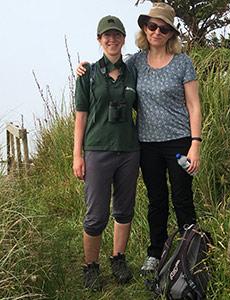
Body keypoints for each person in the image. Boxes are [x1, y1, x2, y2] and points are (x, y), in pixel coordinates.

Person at [77, 3, 202, 275]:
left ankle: (190, 254)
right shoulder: (135, 62)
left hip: (180, 143)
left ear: (171, 33)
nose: (157, 31)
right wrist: (83, 67)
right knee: (157, 199)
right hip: (146, 145)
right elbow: (111, 65)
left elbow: (194, 105)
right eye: (152, 26)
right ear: (145, 28)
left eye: (164, 28)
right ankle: (155, 254)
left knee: (182, 197)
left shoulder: (183, 62)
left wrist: (196, 143)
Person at [73, 15, 139, 290]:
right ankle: (91, 266)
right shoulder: (87, 74)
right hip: (97, 150)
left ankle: (118, 258)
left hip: (128, 150)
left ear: (124, 39)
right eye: (106, 36)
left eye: (117, 35)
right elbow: (81, 116)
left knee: (124, 210)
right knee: (96, 214)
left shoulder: (134, 71)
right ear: (99, 40)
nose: (112, 40)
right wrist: (77, 155)